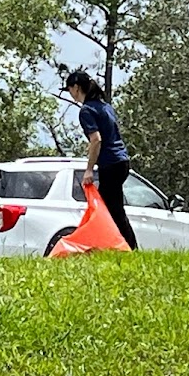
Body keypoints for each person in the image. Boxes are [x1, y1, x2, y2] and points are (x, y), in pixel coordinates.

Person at [62, 70, 138, 250]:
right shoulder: (105, 106)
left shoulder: (86, 111)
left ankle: (128, 248)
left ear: (77, 87)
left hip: (110, 163)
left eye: (70, 89)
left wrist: (89, 170)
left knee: (109, 210)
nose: (71, 93)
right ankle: (114, 246)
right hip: (122, 161)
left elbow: (96, 139)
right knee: (110, 208)